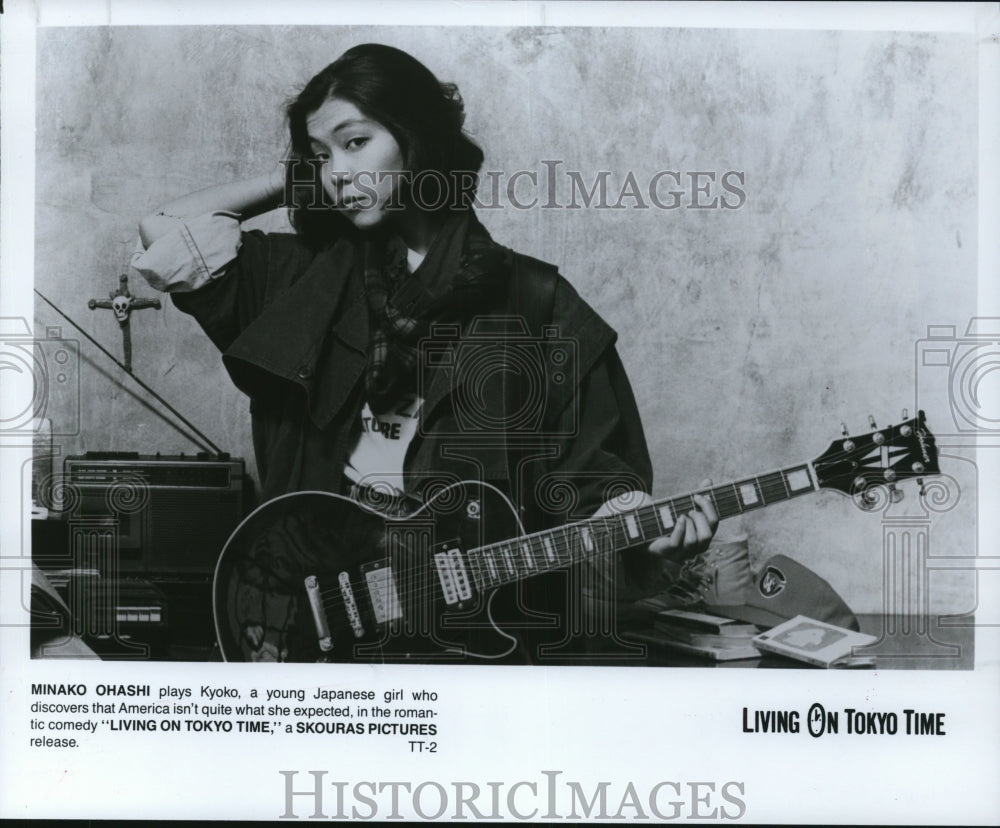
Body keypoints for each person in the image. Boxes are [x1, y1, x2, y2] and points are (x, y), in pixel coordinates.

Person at [133, 43, 718, 663]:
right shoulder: (299, 280)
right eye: (320, 155)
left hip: (466, 645)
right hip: (307, 622)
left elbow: (599, 488)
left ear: (416, 138)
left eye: (355, 142)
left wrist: (652, 541)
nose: (337, 172)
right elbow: (163, 230)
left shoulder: (536, 302)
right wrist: (305, 176)